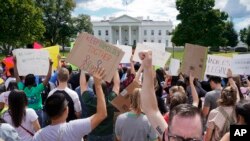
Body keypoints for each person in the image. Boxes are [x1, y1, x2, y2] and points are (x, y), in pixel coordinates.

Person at [138, 50, 203, 140]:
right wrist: (191, 82)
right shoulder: (168, 135)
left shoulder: (167, 136)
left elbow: (150, 109)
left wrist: (147, 67)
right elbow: (196, 101)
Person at [33, 68, 107, 141]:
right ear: (66, 110)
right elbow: (100, 114)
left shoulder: (39, 136)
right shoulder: (75, 127)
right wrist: (98, 84)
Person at [80, 69, 120, 141]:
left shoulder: (89, 100)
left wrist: (83, 69)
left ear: (93, 89)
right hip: (108, 134)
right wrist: (115, 68)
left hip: (93, 133)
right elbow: (117, 85)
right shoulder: (111, 100)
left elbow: (82, 85)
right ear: (106, 89)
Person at [14, 57, 52, 128]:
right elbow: (48, 77)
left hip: (26, 113)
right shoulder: (38, 89)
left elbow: (16, 76)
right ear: (34, 81)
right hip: (38, 113)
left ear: (25, 81)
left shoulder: (22, 88)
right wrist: (50, 64)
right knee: (39, 131)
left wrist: (15, 63)